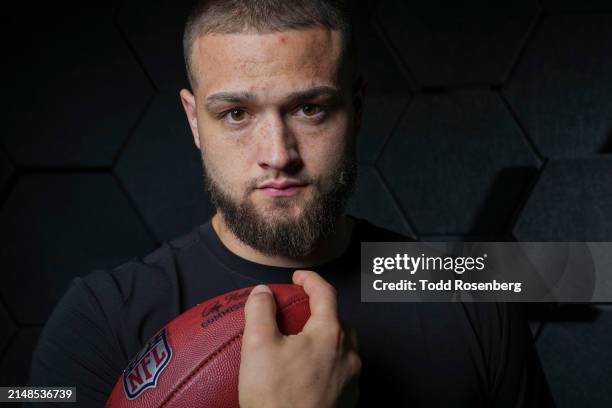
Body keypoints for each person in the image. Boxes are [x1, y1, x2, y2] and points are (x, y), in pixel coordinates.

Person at [29, 0, 555, 406]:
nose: (277, 155)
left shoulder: (463, 291)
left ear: (358, 107)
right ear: (194, 121)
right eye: (236, 114)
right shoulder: (102, 320)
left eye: (310, 108)